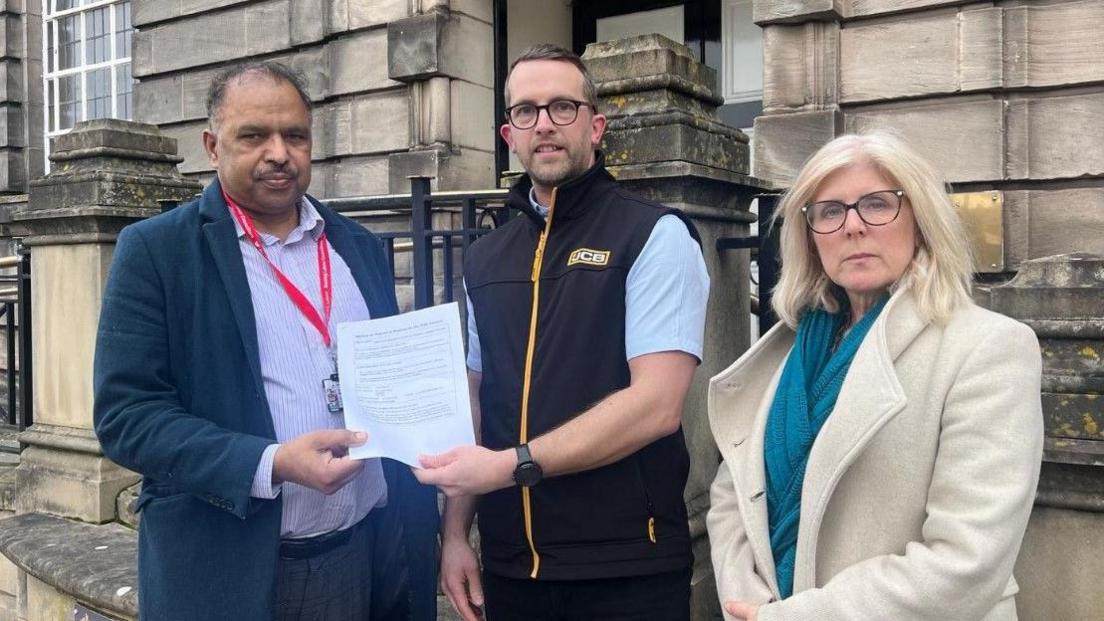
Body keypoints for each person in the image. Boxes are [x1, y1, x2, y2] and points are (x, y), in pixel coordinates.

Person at [93, 61, 438, 621]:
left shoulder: (359, 248)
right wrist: (271, 462)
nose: (279, 153)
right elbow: (127, 418)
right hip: (228, 571)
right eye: (253, 135)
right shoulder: (156, 252)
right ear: (212, 145)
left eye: (295, 136)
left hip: (361, 555)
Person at [413, 44, 710, 621]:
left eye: (562, 107)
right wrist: (455, 535)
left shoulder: (654, 235)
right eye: (526, 111)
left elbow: (656, 405)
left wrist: (509, 466)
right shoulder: (486, 256)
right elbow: (476, 399)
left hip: (626, 567)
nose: (543, 123)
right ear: (509, 134)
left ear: (595, 126)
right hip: (512, 567)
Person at [706, 131, 1043, 621]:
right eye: (830, 212)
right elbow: (731, 494)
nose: (853, 227)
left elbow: (966, 560)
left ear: (920, 220)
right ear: (810, 235)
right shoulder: (787, 351)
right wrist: (749, 606)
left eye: (877, 204)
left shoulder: (987, 348)